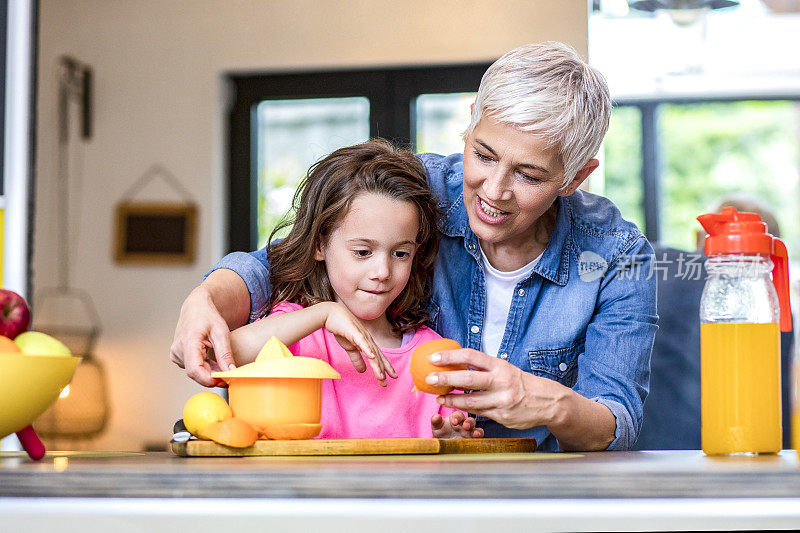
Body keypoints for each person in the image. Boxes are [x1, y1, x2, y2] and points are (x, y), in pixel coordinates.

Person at [170, 42, 658, 452]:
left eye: (528, 175)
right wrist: (205, 299)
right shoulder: (414, 192)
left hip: (532, 492)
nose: (493, 189)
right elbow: (272, 267)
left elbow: (619, 422)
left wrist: (546, 401)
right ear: (471, 121)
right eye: (483, 155)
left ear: (576, 177)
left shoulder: (616, 255)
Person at [222, 139, 482, 439]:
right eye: (362, 252)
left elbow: (447, 454)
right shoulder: (296, 331)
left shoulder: (432, 353)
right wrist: (323, 314)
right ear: (320, 244)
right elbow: (226, 356)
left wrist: (450, 445)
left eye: (400, 254)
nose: (382, 272)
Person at [635, 194, 793, 450]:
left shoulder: (654, 266)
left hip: (647, 456)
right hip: (755, 454)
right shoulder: (772, 298)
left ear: (700, 238)